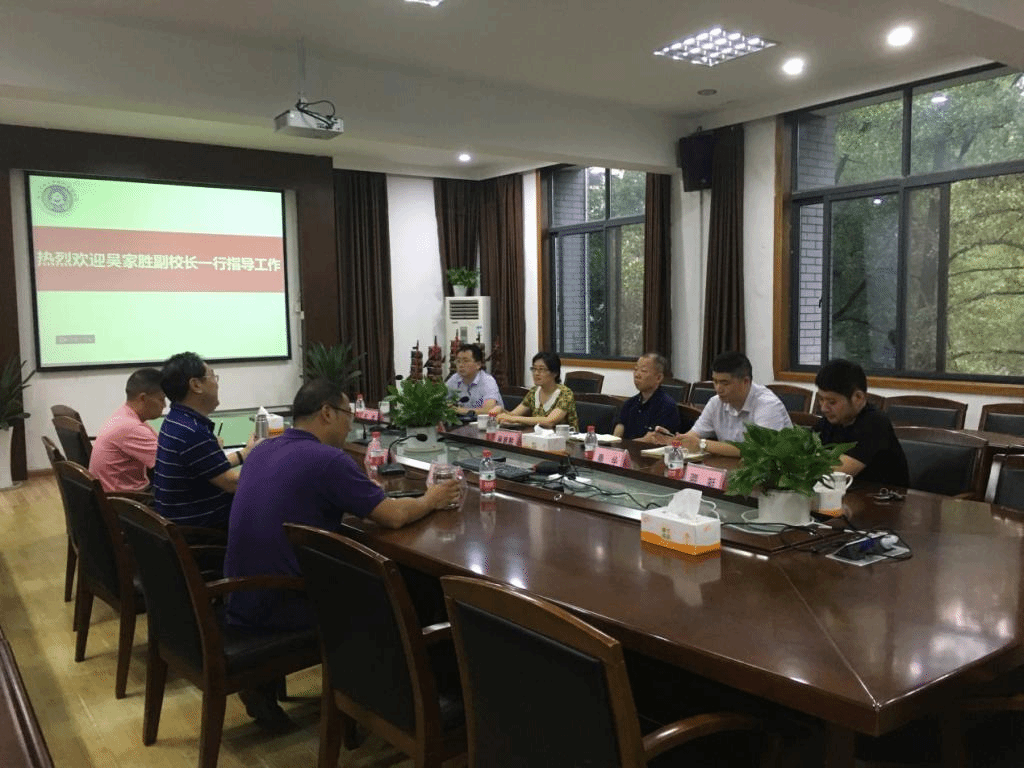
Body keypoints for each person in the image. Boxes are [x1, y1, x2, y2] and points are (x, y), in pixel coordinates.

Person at [223, 379, 461, 728]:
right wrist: (431, 499)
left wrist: (356, 495)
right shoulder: (327, 459)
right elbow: (394, 517)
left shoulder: (263, 449)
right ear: (327, 413)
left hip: (241, 595)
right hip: (287, 603)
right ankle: (408, 702)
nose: (351, 424)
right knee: (409, 588)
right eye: (348, 414)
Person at [152, 352, 256, 529]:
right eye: (213, 376)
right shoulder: (192, 431)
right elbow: (232, 483)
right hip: (202, 532)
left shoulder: (176, 420)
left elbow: (211, 468)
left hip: (180, 521)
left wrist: (246, 453)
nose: (216, 383)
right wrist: (269, 464)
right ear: (196, 385)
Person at [813, 358, 909, 487]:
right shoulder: (829, 421)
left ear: (858, 397)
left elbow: (836, 474)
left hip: (883, 497)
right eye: (821, 399)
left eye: (832, 402)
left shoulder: (875, 423)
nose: (824, 408)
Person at [675, 351, 791, 457]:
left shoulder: (768, 405)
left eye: (725, 383)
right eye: (715, 382)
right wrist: (676, 440)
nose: (718, 389)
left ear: (745, 381)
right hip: (729, 468)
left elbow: (758, 450)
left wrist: (703, 444)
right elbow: (693, 436)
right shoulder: (715, 402)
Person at [88, 368, 165, 492]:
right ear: (143, 398)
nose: (164, 405)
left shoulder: (124, 414)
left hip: (110, 494)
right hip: (125, 499)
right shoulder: (131, 428)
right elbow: (170, 464)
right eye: (161, 399)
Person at [491, 351, 579, 430]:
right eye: (534, 369)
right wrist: (502, 411)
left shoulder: (565, 393)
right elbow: (513, 415)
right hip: (538, 438)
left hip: (566, 440)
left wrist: (513, 419)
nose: (536, 373)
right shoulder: (534, 391)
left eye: (541, 369)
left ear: (555, 373)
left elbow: (550, 421)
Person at [613, 353, 681, 441]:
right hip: (626, 449)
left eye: (643, 371)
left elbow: (656, 441)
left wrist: (628, 444)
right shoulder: (629, 404)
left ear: (658, 378)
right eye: (635, 369)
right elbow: (616, 436)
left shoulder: (667, 407)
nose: (637, 375)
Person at [445, 343, 503, 415]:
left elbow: (488, 410)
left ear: (478, 365)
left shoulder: (488, 381)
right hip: (462, 421)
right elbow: (440, 400)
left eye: (466, 361)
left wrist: (458, 410)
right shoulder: (454, 379)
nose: (461, 365)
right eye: (458, 361)